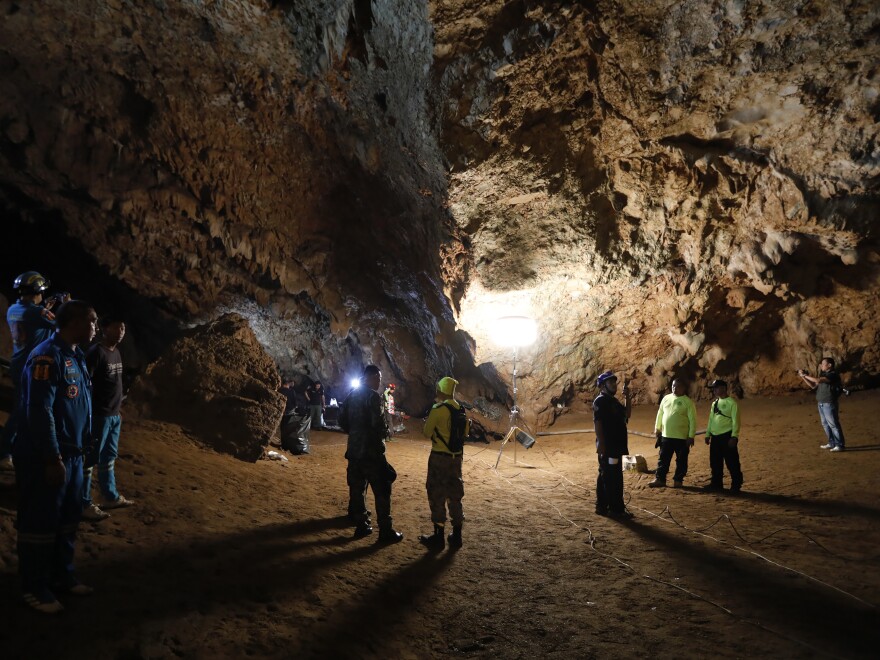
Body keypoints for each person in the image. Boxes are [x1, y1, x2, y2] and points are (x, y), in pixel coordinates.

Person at [14, 300, 97, 613]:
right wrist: (51, 457)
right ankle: (34, 587)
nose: (95, 328)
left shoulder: (74, 355)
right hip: (47, 455)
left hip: (72, 455)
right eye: (92, 321)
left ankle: (62, 576)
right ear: (74, 322)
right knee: (40, 521)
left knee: (67, 520)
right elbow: (40, 410)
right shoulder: (47, 356)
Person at [2, 272, 64, 471]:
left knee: (23, 409)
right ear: (37, 291)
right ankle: (4, 453)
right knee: (24, 411)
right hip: (31, 368)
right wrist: (66, 304)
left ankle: (14, 449)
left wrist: (44, 308)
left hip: (18, 364)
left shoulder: (13, 309)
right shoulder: (37, 313)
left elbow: (33, 319)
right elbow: (61, 324)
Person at [338, 365, 403, 544]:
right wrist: (384, 435)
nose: (379, 381)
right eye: (378, 377)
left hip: (354, 450)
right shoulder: (373, 397)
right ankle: (385, 530)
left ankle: (362, 525)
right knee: (382, 489)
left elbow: (341, 419)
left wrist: (355, 433)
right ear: (372, 376)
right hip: (371, 452)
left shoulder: (352, 395)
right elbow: (378, 425)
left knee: (357, 489)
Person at [81, 315, 133, 521]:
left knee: (109, 457)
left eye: (123, 328)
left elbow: (116, 383)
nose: (121, 332)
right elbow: (86, 384)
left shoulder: (116, 352)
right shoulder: (96, 353)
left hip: (113, 415)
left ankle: (110, 496)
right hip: (100, 415)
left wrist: (118, 407)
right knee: (90, 459)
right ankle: (83, 502)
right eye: (117, 328)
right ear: (104, 328)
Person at [419, 376, 469, 550]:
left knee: (437, 493)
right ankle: (457, 536)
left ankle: (438, 537)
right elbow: (465, 434)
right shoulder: (461, 409)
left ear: (441, 390)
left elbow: (426, 433)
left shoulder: (438, 409)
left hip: (439, 457)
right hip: (456, 459)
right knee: (455, 494)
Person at [593, 370, 633, 518]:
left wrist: (627, 397)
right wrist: (601, 444)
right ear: (603, 385)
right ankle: (614, 509)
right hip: (609, 446)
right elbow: (598, 423)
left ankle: (602, 506)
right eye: (610, 382)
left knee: (608, 474)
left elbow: (627, 414)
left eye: (614, 382)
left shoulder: (614, 401)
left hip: (616, 446)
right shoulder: (600, 401)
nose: (614, 385)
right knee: (611, 477)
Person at [649, 378, 696, 488]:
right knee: (663, 459)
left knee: (681, 461)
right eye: (674, 386)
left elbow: (693, 420)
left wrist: (691, 436)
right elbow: (660, 413)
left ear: (683, 388)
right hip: (666, 436)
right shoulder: (666, 398)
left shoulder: (688, 402)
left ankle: (678, 480)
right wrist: (657, 428)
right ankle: (660, 479)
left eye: (678, 386)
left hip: (682, 438)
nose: (675, 388)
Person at [798, 358, 846, 452]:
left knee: (833, 424)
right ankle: (832, 443)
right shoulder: (824, 375)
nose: (821, 365)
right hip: (821, 403)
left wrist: (805, 375)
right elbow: (813, 385)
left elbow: (818, 380)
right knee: (825, 424)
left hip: (829, 403)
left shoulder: (833, 375)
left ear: (829, 365)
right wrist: (803, 377)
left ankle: (840, 445)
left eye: (823, 364)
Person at [703, 379, 743, 492]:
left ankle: (736, 485)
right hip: (715, 437)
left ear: (723, 388)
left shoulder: (732, 403)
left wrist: (734, 436)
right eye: (713, 389)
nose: (714, 390)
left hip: (727, 436)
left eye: (716, 388)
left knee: (732, 462)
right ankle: (716, 483)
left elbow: (736, 421)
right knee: (715, 462)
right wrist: (708, 434)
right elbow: (711, 420)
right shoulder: (715, 403)